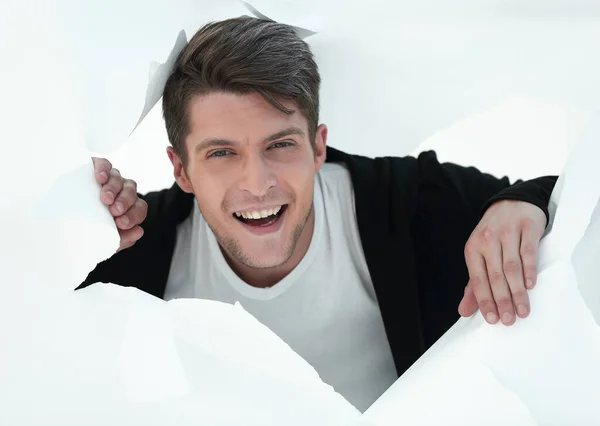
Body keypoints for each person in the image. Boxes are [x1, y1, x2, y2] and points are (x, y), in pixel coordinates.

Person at [81, 17, 557, 412]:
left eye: (280, 144)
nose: (257, 183)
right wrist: (71, 234)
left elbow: (559, 192)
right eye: (222, 153)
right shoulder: (136, 251)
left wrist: (519, 204)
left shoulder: (401, 202)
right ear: (180, 169)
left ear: (317, 146)